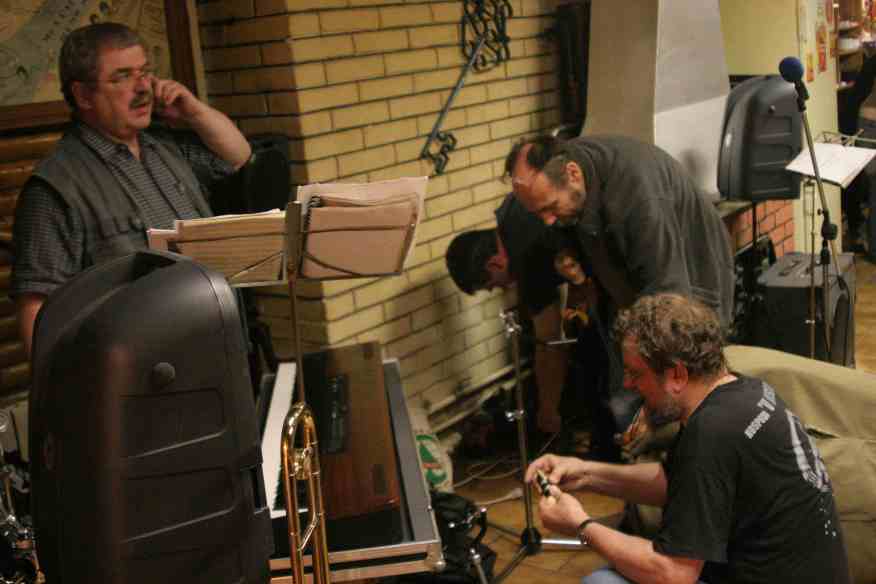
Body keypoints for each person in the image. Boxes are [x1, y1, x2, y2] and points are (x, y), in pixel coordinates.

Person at [526, 293, 850, 584]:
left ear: (678, 375)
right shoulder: (744, 391)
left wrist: (581, 526)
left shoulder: (712, 433)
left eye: (636, 373)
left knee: (601, 583)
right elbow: (678, 482)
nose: (627, 384)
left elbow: (674, 574)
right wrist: (585, 474)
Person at [12, 22, 252, 357]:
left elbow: (237, 155)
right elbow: (37, 310)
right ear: (83, 95)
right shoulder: (56, 186)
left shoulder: (165, 147)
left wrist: (193, 111)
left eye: (145, 72)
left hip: (215, 350)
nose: (143, 88)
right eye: (122, 77)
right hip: (141, 371)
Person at [506, 134, 735, 433]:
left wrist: (653, 407)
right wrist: (570, 254)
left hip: (690, 286)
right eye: (538, 212)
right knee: (627, 398)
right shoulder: (570, 169)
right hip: (634, 292)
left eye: (550, 207)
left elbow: (669, 300)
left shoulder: (638, 196)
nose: (547, 221)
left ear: (573, 174)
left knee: (688, 394)